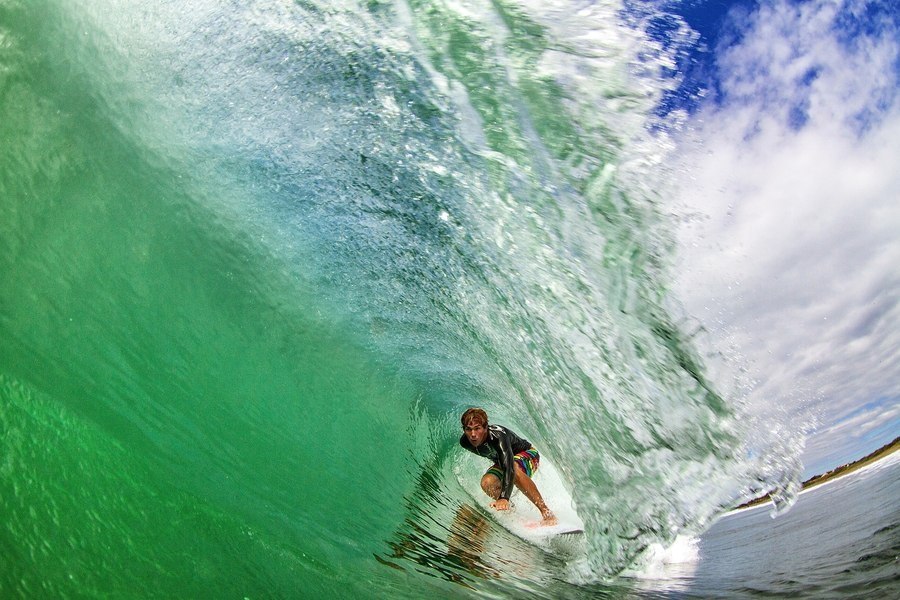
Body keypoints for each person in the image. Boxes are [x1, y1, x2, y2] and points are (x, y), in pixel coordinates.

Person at [459, 407, 557, 526]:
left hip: (529, 455)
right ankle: (513, 515)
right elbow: (503, 462)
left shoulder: (498, 437)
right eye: (468, 429)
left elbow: (509, 467)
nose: (473, 434)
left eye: (477, 428)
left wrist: (504, 496)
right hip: (505, 462)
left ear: (485, 428)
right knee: (487, 482)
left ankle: (547, 514)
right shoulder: (465, 443)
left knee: (513, 469)